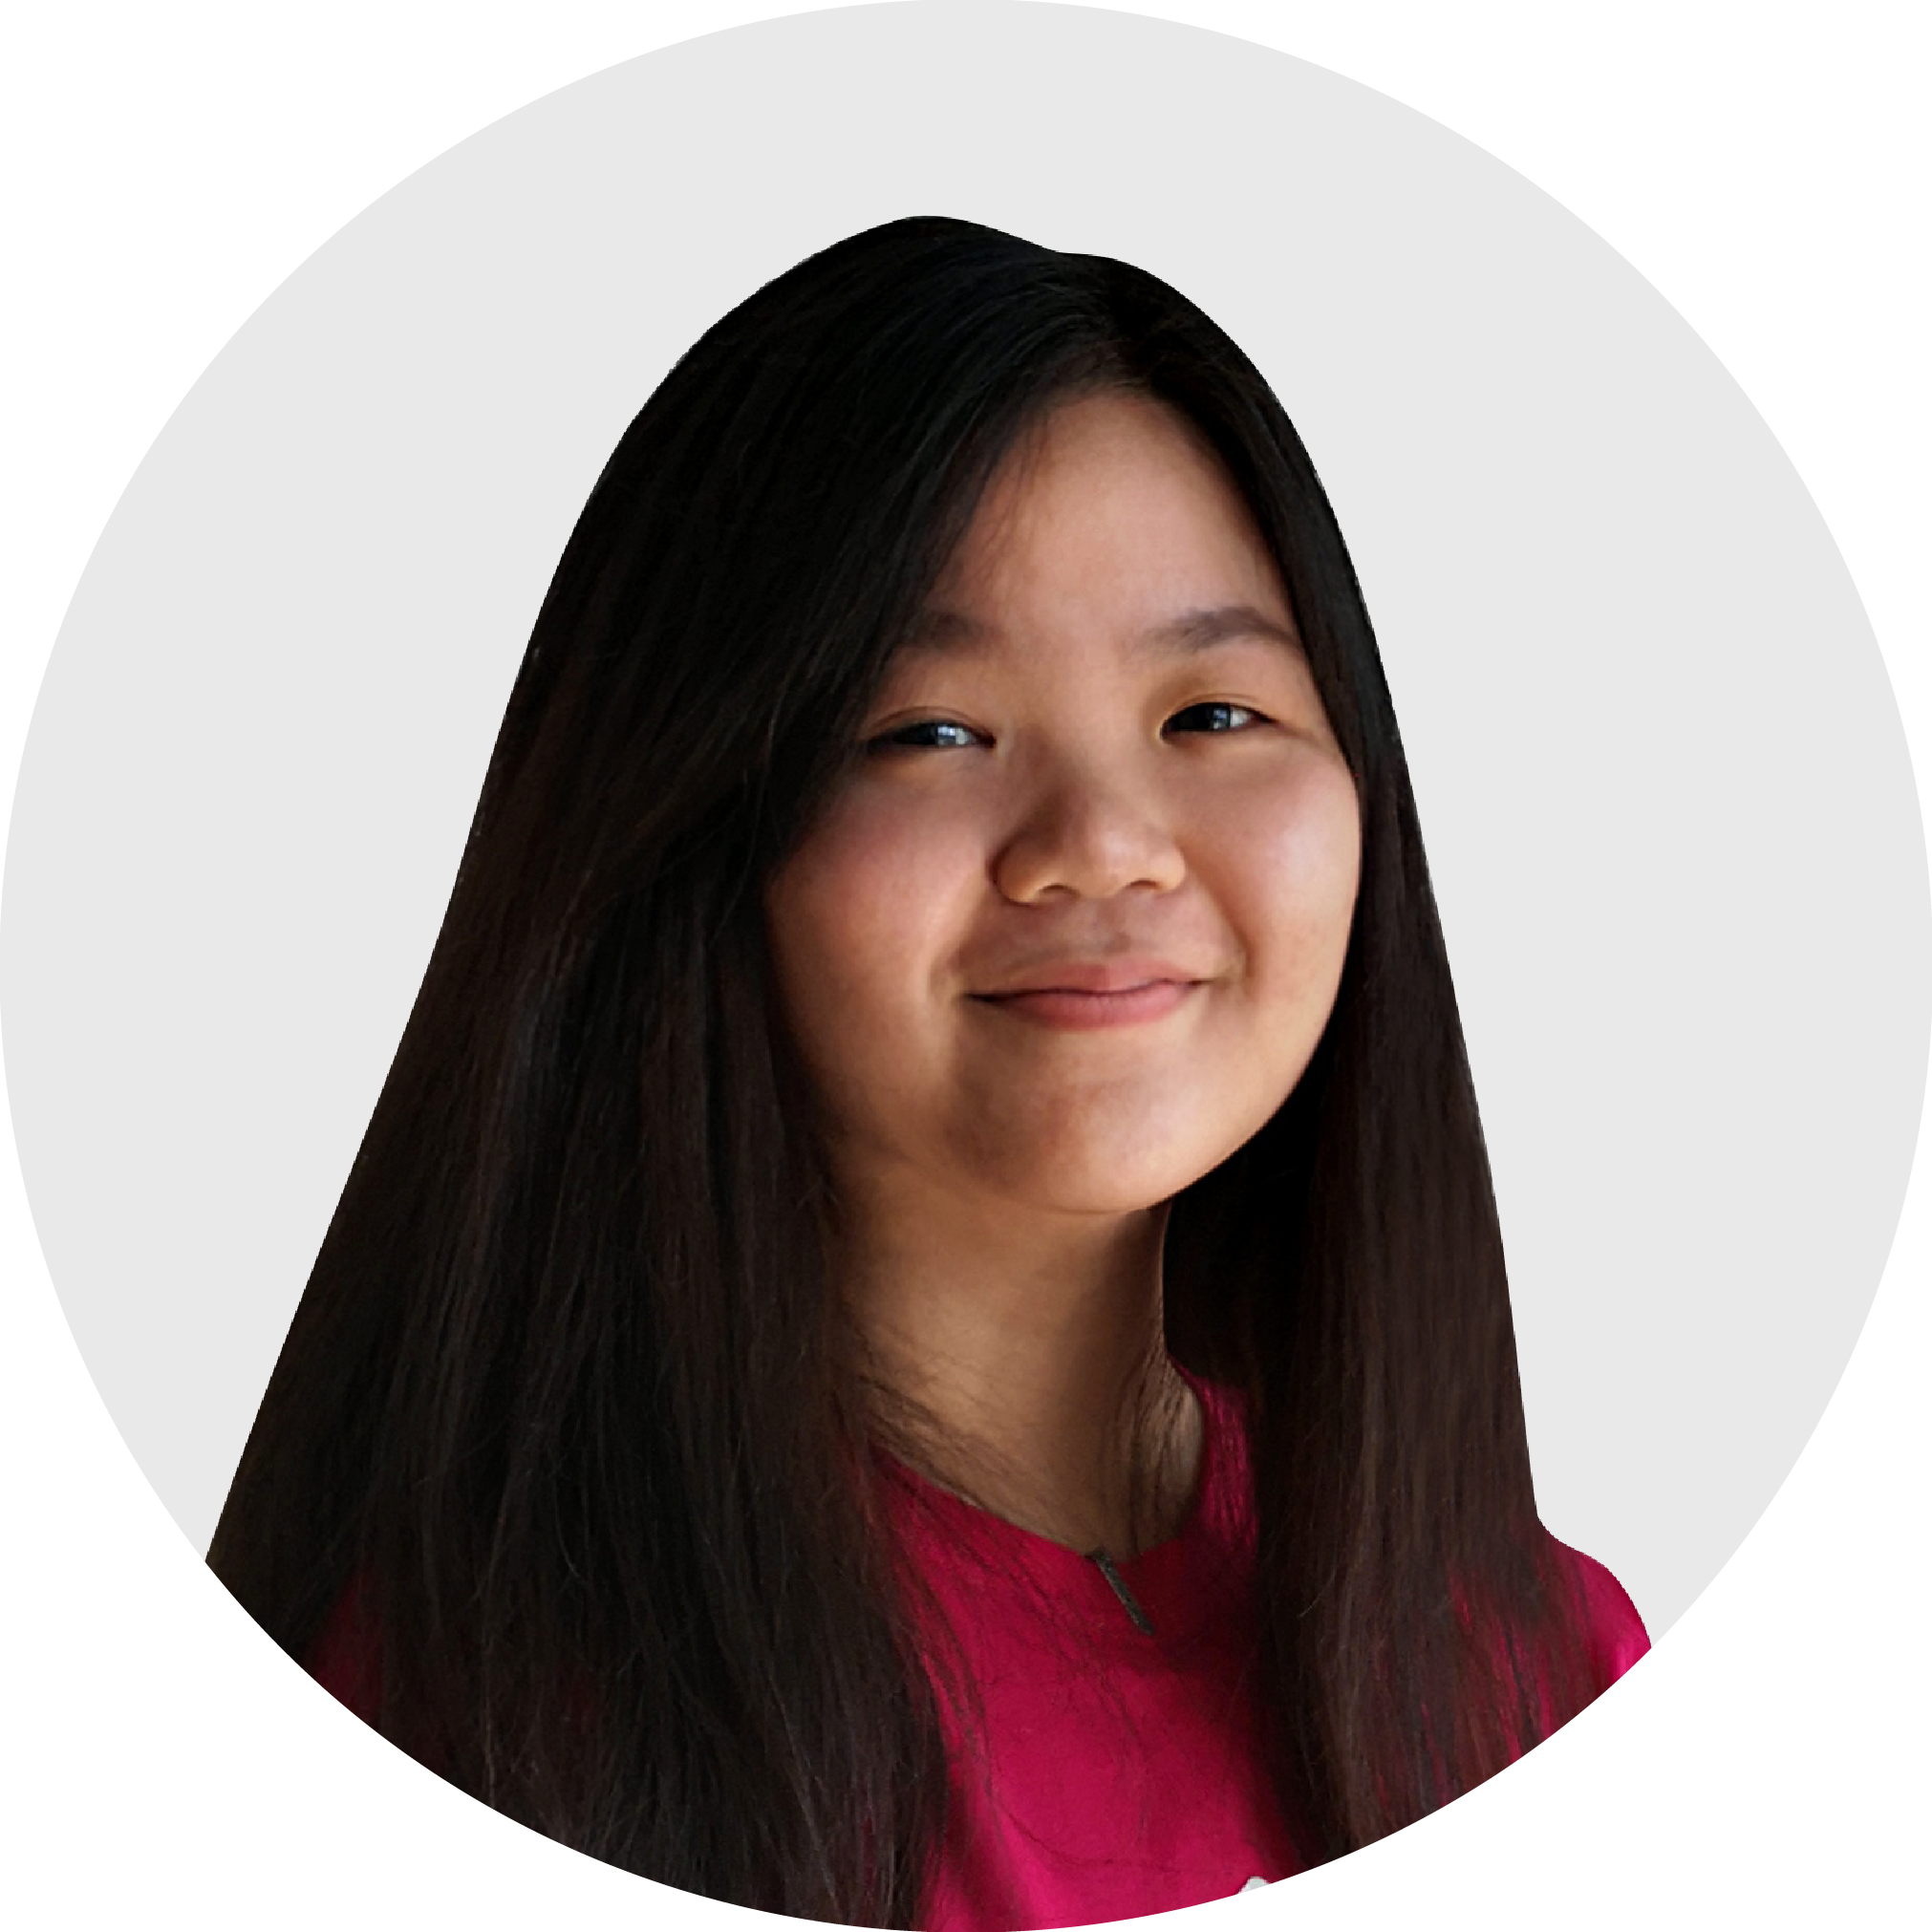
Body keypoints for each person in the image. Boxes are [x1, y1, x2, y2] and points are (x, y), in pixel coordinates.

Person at [208, 217, 1648, 1929]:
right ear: (693, 841)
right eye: (930, 731)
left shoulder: (1546, 1671)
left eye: (1212, 715)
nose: (1101, 842)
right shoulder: (474, 1729)